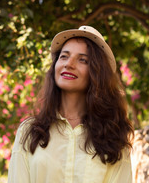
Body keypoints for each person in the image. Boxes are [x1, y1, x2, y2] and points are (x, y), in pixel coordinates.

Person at [8, 25, 134, 183]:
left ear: (97, 73)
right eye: (64, 56)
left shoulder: (114, 138)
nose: (69, 64)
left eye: (83, 60)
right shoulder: (29, 131)